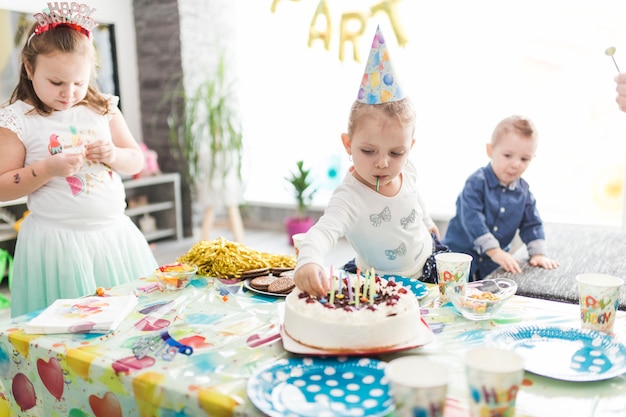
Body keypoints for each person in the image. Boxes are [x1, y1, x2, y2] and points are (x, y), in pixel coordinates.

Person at [0, 7, 158, 317]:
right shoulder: (18, 119)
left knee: (131, 320)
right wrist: (47, 169)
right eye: (57, 82)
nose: (68, 93)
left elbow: (136, 161)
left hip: (114, 237)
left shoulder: (102, 108)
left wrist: (113, 154)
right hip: (56, 246)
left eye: (78, 83)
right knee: (69, 328)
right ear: (30, 69)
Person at [293, 26, 446, 297]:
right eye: (368, 151)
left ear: (409, 149)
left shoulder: (407, 169)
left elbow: (413, 195)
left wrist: (427, 220)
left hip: (427, 259)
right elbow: (323, 232)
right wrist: (308, 261)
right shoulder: (349, 197)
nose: (383, 164)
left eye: (396, 153)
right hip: (377, 278)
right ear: (348, 144)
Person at [442, 115, 559, 281]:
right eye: (508, 155)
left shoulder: (524, 193)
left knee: (485, 298)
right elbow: (472, 218)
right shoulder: (476, 182)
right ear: (490, 151)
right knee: (451, 295)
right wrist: (494, 250)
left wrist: (538, 253)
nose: (516, 164)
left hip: (491, 266)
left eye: (524, 159)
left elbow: (532, 223)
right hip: (458, 259)